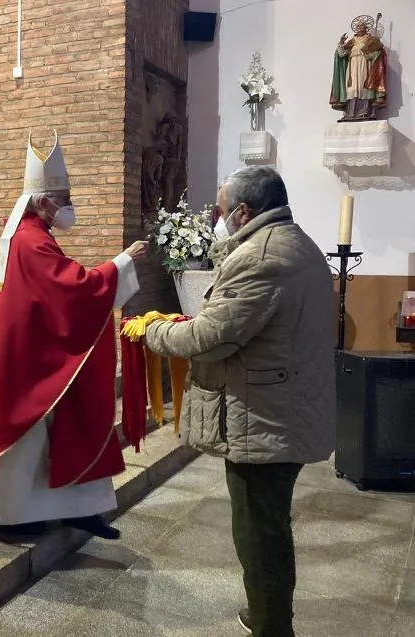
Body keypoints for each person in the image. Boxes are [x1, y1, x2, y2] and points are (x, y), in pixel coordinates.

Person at [142, 166, 335, 637]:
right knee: (264, 522)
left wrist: (153, 331)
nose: (218, 219)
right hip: (279, 403)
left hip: (265, 414)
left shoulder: (262, 256)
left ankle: (272, 624)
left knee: (259, 531)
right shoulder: (295, 242)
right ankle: (266, 609)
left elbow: (212, 338)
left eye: (222, 211)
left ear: (245, 212)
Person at [0, 130, 149, 540]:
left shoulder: (31, 234)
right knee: (30, 438)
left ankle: (82, 508)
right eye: (64, 197)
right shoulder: (29, 241)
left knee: (68, 422)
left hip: (36, 350)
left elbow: (59, 288)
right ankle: (9, 518)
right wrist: (120, 264)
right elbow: (71, 287)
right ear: (42, 201)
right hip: (29, 362)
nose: (68, 206)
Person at [330, 14, 388, 121]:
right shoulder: (352, 41)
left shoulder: (370, 39)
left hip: (365, 65)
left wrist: (371, 55)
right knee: (352, 89)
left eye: (361, 26)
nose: (359, 28)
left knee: (363, 87)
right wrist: (341, 43)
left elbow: (379, 51)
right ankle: (349, 113)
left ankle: (365, 112)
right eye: (357, 26)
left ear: (366, 28)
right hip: (353, 65)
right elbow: (341, 54)